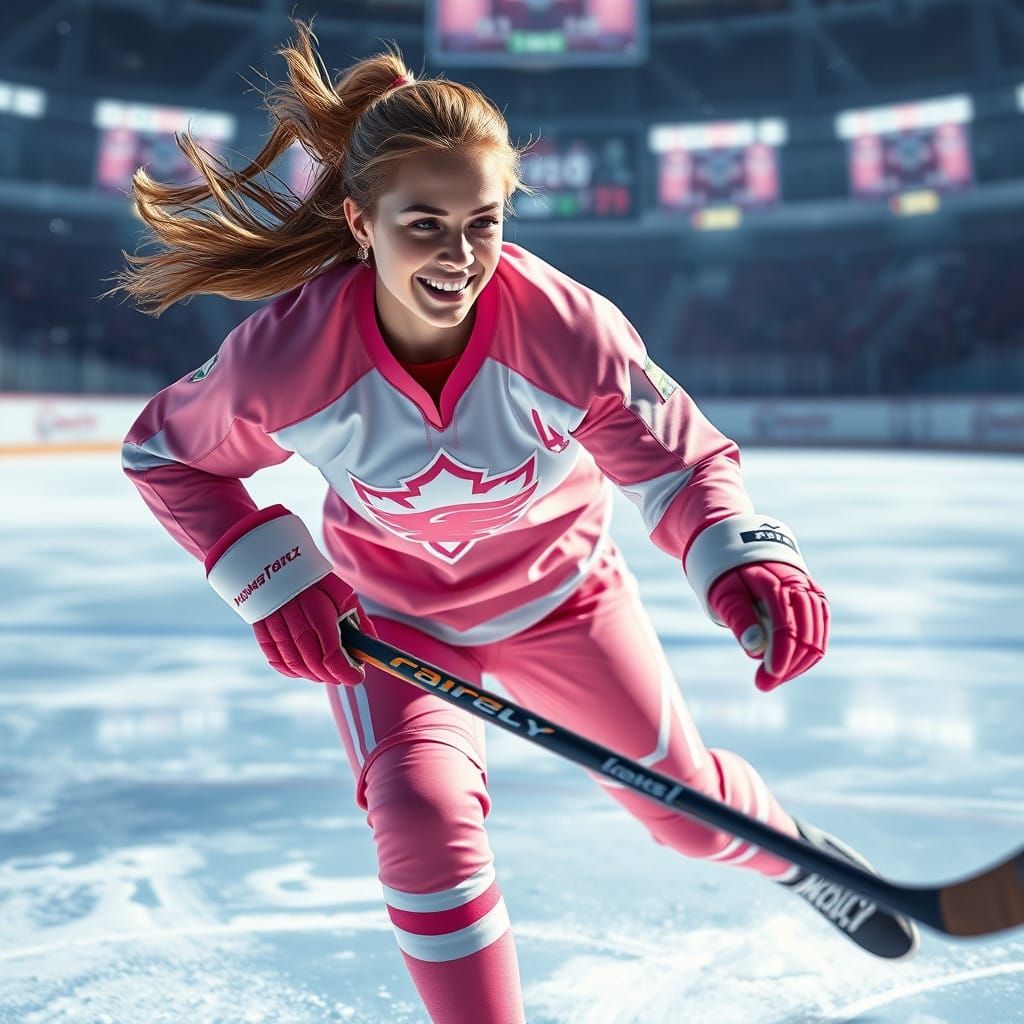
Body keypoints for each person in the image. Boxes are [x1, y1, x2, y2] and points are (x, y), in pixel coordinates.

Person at [110, 21, 918, 1024]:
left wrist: (743, 560)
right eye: (424, 225)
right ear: (360, 221)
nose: (460, 257)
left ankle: (796, 860)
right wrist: (271, 575)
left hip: (566, 604)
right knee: (419, 817)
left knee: (688, 818)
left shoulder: (568, 330)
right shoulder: (285, 356)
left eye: (482, 222)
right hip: (398, 624)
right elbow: (164, 454)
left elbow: (678, 462)